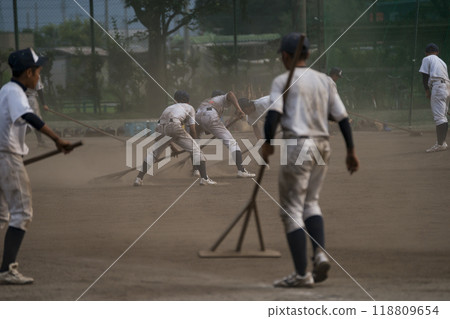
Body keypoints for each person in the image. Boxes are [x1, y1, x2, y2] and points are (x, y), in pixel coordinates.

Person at [260, 33, 359, 288]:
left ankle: (302, 275)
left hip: (299, 145)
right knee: (310, 203)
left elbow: (272, 117)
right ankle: (319, 255)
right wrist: (351, 151)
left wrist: (268, 144)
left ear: (285, 56)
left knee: (291, 209)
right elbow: (343, 118)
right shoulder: (325, 81)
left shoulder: (283, 80)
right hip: (323, 145)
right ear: (308, 54)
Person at [0, 48, 73, 285]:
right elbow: (30, 116)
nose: (39, 77)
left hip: (3, 156)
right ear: (29, 72)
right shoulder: (16, 92)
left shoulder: (5, 90)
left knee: (2, 215)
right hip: (7, 157)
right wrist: (57, 139)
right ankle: (7, 270)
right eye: (38, 72)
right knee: (21, 214)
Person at [133, 90, 216, 186]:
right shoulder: (189, 107)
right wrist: (196, 143)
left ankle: (139, 178)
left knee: (154, 154)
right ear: (188, 101)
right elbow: (192, 129)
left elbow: (166, 132)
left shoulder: (169, 107)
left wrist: (173, 148)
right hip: (174, 126)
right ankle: (204, 178)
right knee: (197, 151)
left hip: (159, 127)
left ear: (175, 100)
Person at [196, 90, 255, 178]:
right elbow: (231, 94)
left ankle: (196, 170)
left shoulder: (207, 102)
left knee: (195, 145)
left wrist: (219, 130)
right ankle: (241, 171)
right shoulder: (220, 98)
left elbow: (208, 131)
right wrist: (239, 109)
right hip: (210, 115)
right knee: (232, 143)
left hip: (197, 115)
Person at [419, 43, 450, 152]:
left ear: (426, 52)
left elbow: (425, 76)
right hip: (447, 87)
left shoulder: (427, 59)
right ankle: (442, 143)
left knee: (439, 118)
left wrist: (427, 91)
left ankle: (440, 144)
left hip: (438, 86)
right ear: (437, 52)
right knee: (443, 117)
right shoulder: (442, 61)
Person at [26, 78, 48, 147]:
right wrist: (44, 104)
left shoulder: (21, 72)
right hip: (31, 100)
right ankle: (15, 139)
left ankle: (40, 141)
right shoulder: (35, 74)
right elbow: (39, 90)